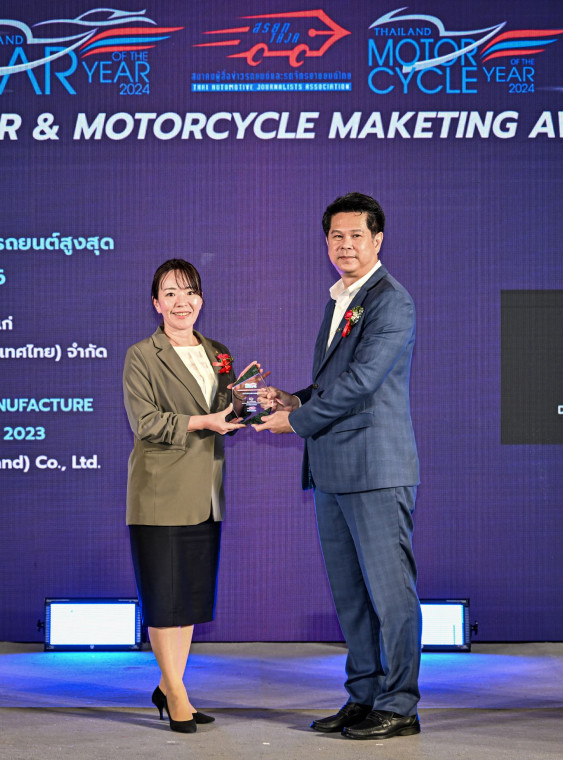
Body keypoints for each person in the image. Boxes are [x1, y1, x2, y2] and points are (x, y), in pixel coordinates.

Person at [253, 193, 421, 740]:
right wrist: (293, 399)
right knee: (351, 597)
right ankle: (363, 696)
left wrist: (297, 422)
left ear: (377, 240)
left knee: (391, 596)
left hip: (375, 468)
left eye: (356, 235)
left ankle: (400, 705)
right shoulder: (340, 300)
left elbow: (363, 382)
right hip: (333, 470)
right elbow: (332, 383)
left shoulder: (391, 301)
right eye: (336, 236)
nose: (345, 245)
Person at [123, 258, 250, 733]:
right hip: (159, 492)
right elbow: (146, 423)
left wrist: (249, 404)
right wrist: (205, 422)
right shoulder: (142, 355)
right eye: (170, 293)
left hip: (206, 491)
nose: (182, 302)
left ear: (201, 299)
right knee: (164, 600)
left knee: (189, 600)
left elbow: (225, 414)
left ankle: (171, 684)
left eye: (190, 291)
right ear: (156, 304)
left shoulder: (218, 352)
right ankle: (176, 695)